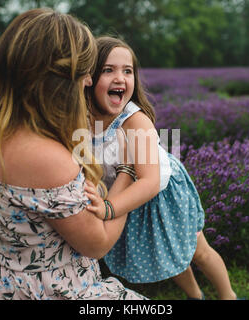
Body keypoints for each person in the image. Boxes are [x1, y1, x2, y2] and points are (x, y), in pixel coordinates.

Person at [0, 9, 146, 300]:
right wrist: (128, 171)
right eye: (84, 72)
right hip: (56, 291)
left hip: (8, 285)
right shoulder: (46, 158)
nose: (88, 81)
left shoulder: (2, 132)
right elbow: (97, 244)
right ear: (57, 81)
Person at [84, 36, 238, 300]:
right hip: (127, 194)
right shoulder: (84, 116)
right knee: (168, 251)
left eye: (128, 71)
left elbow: (150, 182)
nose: (120, 78)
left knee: (197, 250)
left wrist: (110, 207)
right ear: (89, 77)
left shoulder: (134, 121)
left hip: (161, 192)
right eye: (108, 70)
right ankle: (196, 296)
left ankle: (229, 296)